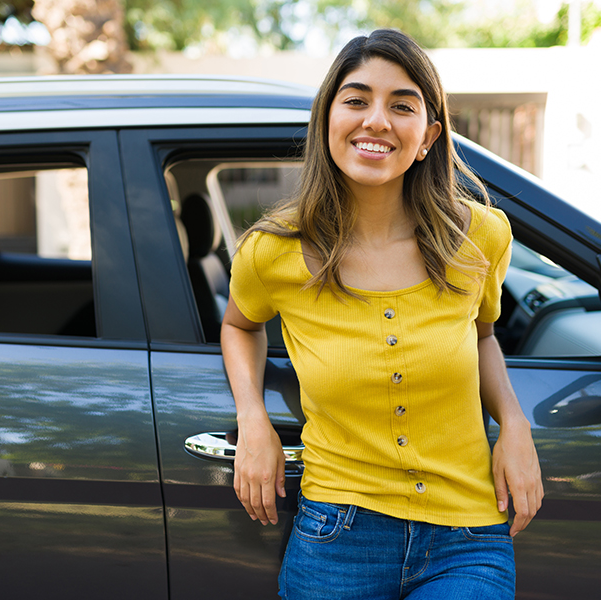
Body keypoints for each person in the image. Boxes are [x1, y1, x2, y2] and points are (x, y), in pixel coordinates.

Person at [220, 28, 543, 600]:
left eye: (402, 105)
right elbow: (240, 325)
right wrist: (252, 418)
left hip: (467, 535)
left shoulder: (481, 238)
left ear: (428, 136)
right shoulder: (272, 251)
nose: (377, 120)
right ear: (327, 121)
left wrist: (514, 426)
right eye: (356, 99)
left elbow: (482, 336)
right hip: (336, 537)